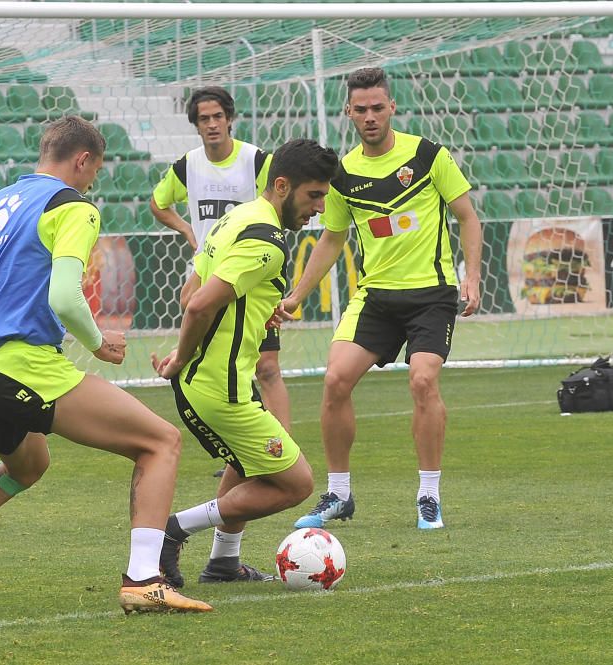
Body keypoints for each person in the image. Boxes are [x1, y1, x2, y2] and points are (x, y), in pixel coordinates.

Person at [0, 116, 212, 616]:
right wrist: (99, 342)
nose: (91, 184)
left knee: (29, 465)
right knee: (160, 442)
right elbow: (64, 295)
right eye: (93, 173)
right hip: (26, 368)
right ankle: (144, 579)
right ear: (82, 161)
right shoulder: (72, 207)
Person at [283, 67, 483, 531]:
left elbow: (468, 218)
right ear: (348, 112)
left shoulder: (430, 156)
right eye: (361, 109)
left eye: (378, 107)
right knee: (334, 380)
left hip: (431, 295)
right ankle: (338, 494)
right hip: (376, 297)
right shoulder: (343, 173)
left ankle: (428, 495)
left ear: (392, 107)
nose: (370, 116)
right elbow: (332, 239)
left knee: (422, 381)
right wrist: (295, 297)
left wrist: (471, 277)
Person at [152, 138, 339, 588]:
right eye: (314, 195)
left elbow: (191, 287)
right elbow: (197, 305)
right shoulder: (268, 241)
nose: (319, 207)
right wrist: (181, 358)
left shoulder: (235, 217)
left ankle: (223, 564)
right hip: (219, 389)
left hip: (219, 381)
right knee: (296, 483)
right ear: (282, 185)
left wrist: (256, 305)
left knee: (244, 463)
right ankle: (173, 530)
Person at [150, 86, 292, 477]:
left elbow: (283, 202)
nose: (211, 125)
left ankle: (278, 446)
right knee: (216, 361)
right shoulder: (188, 166)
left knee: (266, 366)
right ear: (195, 125)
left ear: (230, 119)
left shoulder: (255, 160)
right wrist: (188, 233)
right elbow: (158, 203)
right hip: (207, 273)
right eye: (203, 119)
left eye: (217, 117)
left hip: (248, 272)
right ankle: (239, 448)